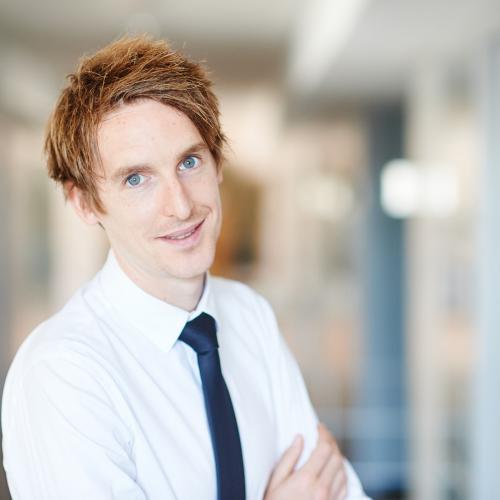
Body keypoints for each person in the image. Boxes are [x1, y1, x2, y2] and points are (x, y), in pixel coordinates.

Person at [1, 36, 369, 500]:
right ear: (84, 202)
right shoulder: (62, 373)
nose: (180, 205)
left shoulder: (249, 316)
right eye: (136, 178)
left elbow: (335, 487)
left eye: (189, 162)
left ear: (218, 163)